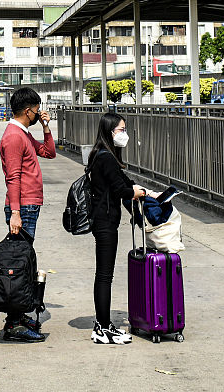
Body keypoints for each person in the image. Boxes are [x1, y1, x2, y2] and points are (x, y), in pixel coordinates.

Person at [0, 87, 56, 342]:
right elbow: (13, 177)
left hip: (29, 206)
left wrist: (45, 127)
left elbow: (49, 152)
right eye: (36, 110)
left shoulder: (23, 133)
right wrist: (15, 213)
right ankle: (13, 324)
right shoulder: (13, 137)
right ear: (27, 110)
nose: (37, 113)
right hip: (22, 207)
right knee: (18, 266)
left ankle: (19, 315)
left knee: (24, 262)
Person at [87, 112, 147, 345]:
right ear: (110, 131)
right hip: (105, 221)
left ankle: (103, 325)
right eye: (120, 130)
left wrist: (140, 190)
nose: (124, 134)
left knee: (104, 274)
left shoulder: (101, 155)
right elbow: (122, 189)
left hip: (103, 220)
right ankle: (103, 327)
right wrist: (135, 193)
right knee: (104, 275)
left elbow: (122, 181)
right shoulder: (105, 157)